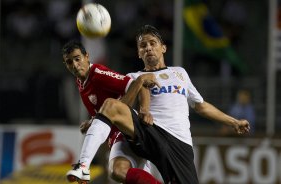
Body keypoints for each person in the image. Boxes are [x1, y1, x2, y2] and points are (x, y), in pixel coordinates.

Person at [90, 25, 250, 184]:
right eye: (143, 46)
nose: (148, 48)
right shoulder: (134, 77)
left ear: (163, 48)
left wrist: (233, 122)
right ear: (139, 53)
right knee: (117, 170)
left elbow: (201, 106)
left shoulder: (180, 73)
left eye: (153, 43)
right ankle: (84, 164)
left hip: (179, 140)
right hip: (150, 131)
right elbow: (120, 108)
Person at [61, 40, 162, 184]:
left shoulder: (98, 73)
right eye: (70, 62)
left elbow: (138, 84)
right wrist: (92, 121)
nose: (75, 65)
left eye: (78, 59)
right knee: (118, 172)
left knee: (119, 172)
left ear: (87, 56)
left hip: (128, 129)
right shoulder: (80, 82)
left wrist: (145, 110)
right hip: (117, 136)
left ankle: (83, 166)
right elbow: (103, 112)